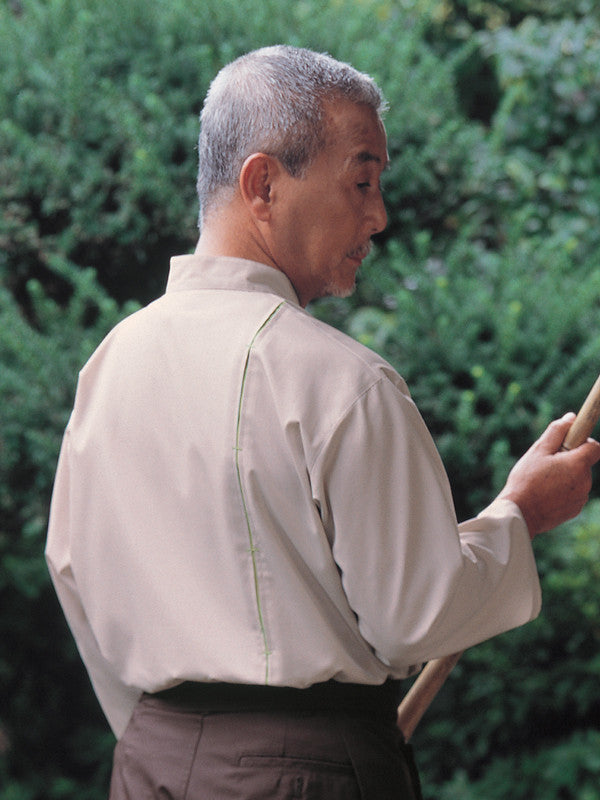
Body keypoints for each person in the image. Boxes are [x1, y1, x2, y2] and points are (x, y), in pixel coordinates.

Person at [45, 45, 600, 800]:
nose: (378, 215)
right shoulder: (343, 381)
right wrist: (518, 516)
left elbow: (72, 574)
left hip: (151, 764)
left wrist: (171, 737)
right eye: (363, 180)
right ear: (264, 182)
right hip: (306, 773)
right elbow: (417, 618)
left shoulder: (110, 365)